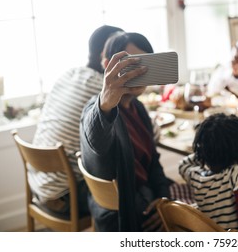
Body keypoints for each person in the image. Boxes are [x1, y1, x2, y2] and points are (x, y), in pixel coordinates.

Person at [80, 31, 173, 232]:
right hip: (123, 214)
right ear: (107, 66)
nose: (139, 73)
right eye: (131, 65)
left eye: (145, 65)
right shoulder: (97, 110)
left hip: (147, 197)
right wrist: (104, 104)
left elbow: (153, 161)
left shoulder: (138, 107)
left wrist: (163, 200)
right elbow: (95, 141)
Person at [31, 25, 123, 215]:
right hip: (67, 196)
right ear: (106, 54)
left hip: (38, 184)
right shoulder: (105, 89)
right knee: (129, 184)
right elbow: (148, 132)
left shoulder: (68, 74)